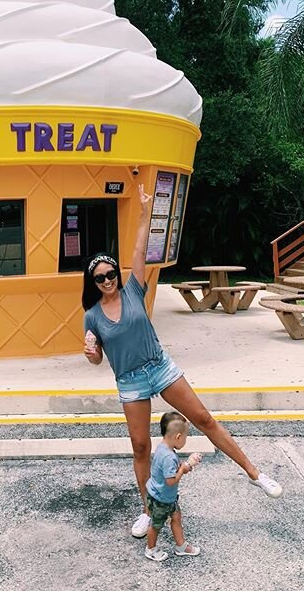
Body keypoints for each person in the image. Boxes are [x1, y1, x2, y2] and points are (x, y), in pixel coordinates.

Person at [83, 183, 282, 539]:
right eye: (100, 277)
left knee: (203, 418)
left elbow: (140, 249)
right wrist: (92, 353)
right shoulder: (92, 316)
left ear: (117, 274)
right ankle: (147, 510)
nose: (108, 280)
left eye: (111, 273)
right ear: (93, 282)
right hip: (129, 381)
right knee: (141, 446)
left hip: (159, 366)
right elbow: (98, 360)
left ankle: (255, 473)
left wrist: (145, 212)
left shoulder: (133, 289)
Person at [144, 414, 201, 561]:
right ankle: (150, 549)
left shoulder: (162, 447)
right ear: (178, 436)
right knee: (155, 525)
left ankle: (181, 545)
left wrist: (183, 466)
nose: (185, 440)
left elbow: (168, 471)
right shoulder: (168, 457)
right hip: (161, 498)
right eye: (185, 437)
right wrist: (183, 469)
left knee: (176, 516)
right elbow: (171, 481)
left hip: (164, 495)